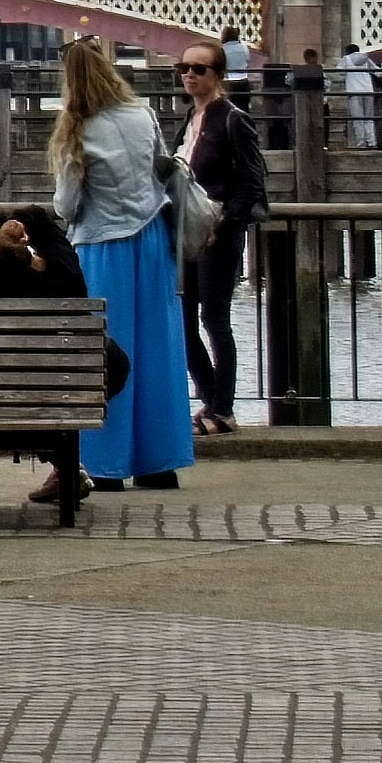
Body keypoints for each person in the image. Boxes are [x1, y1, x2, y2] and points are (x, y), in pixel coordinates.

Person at [53, 36, 192, 493]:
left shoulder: (78, 129)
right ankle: (159, 462)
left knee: (104, 352)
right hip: (152, 241)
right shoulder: (143, 115)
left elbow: (67, 205)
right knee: (156, 348)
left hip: (102, 245)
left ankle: (105, 463)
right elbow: (160, 171)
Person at [173, 40, 267, 440]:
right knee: (182, 320)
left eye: (200, 69)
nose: (190, 75)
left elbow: (252, 183)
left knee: (214, 319)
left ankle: (222, 407)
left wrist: (223, 223)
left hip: (219, 234)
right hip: (186, 231)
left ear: (219, 75)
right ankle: (211, 400)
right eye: (184, 68)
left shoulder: (232, 119)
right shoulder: (189, 119)